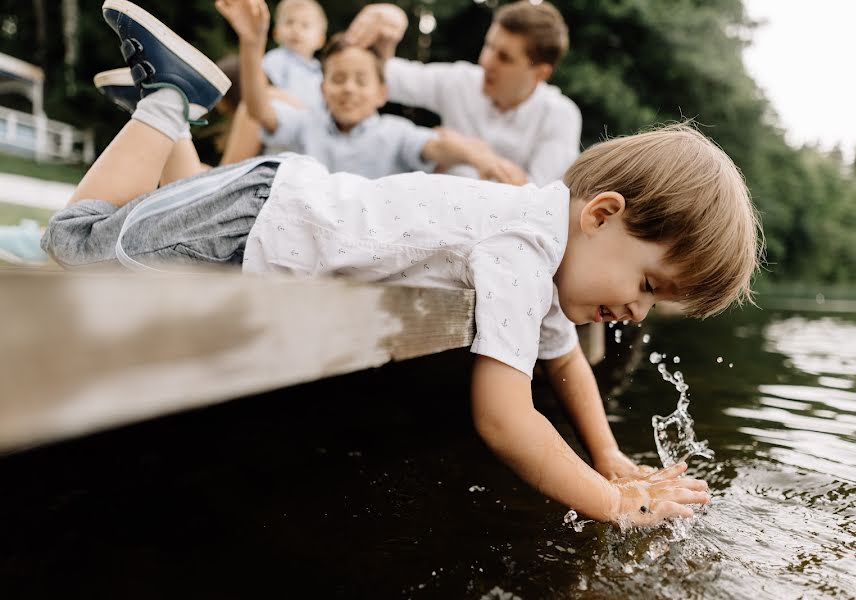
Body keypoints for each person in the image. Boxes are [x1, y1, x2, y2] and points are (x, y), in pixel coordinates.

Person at [43, 0, 765, 525]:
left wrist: (608, 455)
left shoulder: (542, 247)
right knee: (74, 246)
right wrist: (609, 503)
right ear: (601, 214)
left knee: (171, 200)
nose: (633, 312)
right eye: (645, 285)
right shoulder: (524, 249)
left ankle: (159, 114)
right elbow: (505, 421)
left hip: (262, 207)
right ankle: (166, 99)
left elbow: (567, 365)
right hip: (256, 224)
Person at [219, 0, 514, 179]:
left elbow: (438, 146)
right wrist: (252, 43)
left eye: (361, 80)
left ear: (382, 93)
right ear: (322, 90)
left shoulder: (395, 132)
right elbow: (258, 110)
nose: (348, 88)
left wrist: (481, 160)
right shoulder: (305, 126)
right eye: (338, 79)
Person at [345, 1, 582, 186]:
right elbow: (381, 77)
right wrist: (388, 25)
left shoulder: (560, 115)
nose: (486, 61)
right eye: (489, 46)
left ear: (539, 73)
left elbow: (539, 201)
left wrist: (468, 151)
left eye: (504, 57)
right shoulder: (461, 81)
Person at [261, 0, 328, 114]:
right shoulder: (276, 59)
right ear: (276, 32)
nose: (296, 29)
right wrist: (299, 107)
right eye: (289, 22)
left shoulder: (319, 72)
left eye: (305, 25)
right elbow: (265, 90)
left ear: (320, 40)